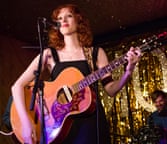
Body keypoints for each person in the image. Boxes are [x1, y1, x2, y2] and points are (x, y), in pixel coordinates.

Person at [11, 3, 141, 144]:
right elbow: (17, 86)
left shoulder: (95, 53)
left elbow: (110, 89)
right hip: (58, 126)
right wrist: (26, 122)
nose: (64, 20)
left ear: (78, 19)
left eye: (69, 16)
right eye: (59, 18)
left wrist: (129, 70)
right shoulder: (49, 54)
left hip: (90, 122)